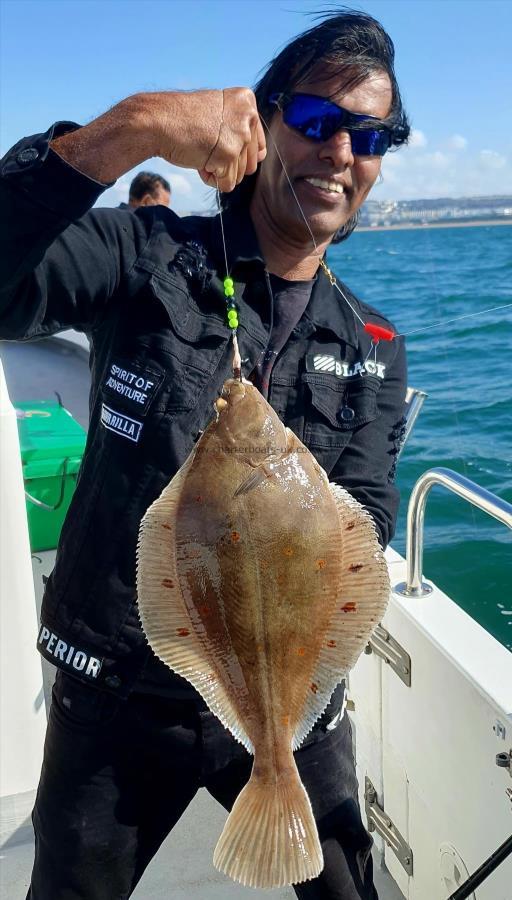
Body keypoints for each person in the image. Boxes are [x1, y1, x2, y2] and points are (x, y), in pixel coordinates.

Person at [0, 10, 410, 899]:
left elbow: (370, 509)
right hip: (112, 695)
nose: (342, 151)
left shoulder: (375, 340)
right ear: (260, 127)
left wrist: (312, 541)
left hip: (290, 706)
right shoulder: (140, 256)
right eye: (316, 122)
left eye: (372, 135)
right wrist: (130, 128)